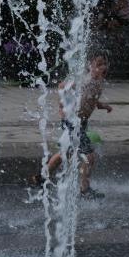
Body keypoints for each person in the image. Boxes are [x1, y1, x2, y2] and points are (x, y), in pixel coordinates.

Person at [30, 52, 112, 198]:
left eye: (104, 64)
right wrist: (62, 107)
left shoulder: (98, 82)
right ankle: (84, 189)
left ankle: (41, 177)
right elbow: (62, 87)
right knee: (89, 156)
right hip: (73, 121)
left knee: (65, 152)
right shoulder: (84, 80)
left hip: (80, 122)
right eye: (99, 64)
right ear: (90, 66)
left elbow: (91, 99)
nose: (103, 67)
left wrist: (102, 105)